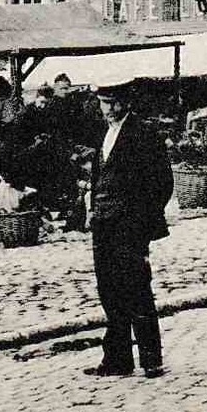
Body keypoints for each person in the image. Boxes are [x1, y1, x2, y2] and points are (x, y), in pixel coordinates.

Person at [84, 80, 173, 380]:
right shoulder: (104, 135)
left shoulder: (143, 134)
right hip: (104, 224)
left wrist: (141, 223)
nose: (105, 109)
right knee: (109, 291)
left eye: (110, 103)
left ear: (124, 102)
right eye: (102, 103)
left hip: (129, 225)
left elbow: (161, 183)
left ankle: (151, 359)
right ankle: (117, 359)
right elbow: (99, 176)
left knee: (137, 291)